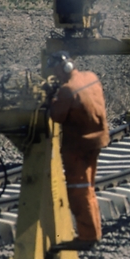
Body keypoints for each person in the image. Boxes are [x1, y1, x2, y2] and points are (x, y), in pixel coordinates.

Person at [47, 51, 109, 248]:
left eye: (56, 71)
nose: (56, 75)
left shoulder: (67, 90)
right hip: (97, 139)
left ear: (63, 68)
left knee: (79, 191)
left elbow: (56, 116)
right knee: (89, 188)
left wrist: (50, 99)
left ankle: (88, 237)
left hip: (78, 146)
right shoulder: (91, 77)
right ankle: (94, 232)